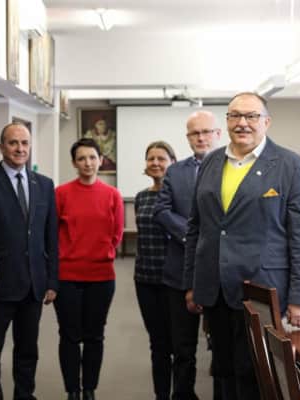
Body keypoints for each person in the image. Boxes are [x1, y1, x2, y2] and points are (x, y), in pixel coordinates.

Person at [183, 92, 300, 400]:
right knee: (223, 374)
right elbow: (196, 227)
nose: (242, 123)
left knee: (256, 377)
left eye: (251, 116)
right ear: (227, 122)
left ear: (266, 122)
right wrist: (192, 283)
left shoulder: (291, 166)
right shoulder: (211, 162)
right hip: (215, 291)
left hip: (261, 291)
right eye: (235, 115)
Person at [0, 122, 59, 400]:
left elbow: (51, 236)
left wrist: (52, 280)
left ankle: (25, 395)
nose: (20, 148)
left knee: (28, 350)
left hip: (34, 284)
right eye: (13, 143)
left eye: (24, 143)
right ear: (1, 147)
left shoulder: (44, 185)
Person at [153, 111, 221, 400]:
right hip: (179, 272)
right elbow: (161, 210)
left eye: (206, 132)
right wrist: (193, 235)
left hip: (221, 274)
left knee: (223, 350)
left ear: (218, 134)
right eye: (195, 133)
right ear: (188, 137)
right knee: (182, 348)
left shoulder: (232, 168)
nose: (201, 137)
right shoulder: (175, 172)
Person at [54, 138, 124, 400]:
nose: (88, 163)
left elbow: (116, 234)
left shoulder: (112, 195)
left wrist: (101, 253)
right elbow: (52, 233)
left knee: (95, 336)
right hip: (67, 276)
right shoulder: (61, 193)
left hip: (101, 276)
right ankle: (73, 389)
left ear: (101, 160)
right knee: (69, 335)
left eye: (93, 157)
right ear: (74, 163)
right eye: (81, 158)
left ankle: (89, 389)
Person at [134, 141, 177, 400]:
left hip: (174, 281)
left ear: (172, 162)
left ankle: (181, 393)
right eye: (151, 158)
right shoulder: (141, 197)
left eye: (161, 158)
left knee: (179, 344)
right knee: (157, 343)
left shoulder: (180, 196)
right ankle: (161, 395)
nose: (156, 163)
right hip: (145, 279)